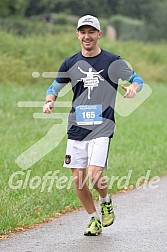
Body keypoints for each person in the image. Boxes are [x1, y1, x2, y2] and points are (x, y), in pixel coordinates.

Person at [43, 15, 144, 236]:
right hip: (76, 128)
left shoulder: (112, 61)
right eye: (83, 32)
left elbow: (138, 79)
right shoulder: (69, 63)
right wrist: (50, 100)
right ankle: (93, 219)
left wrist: (133, 88)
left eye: (91, 32)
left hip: (102, 127)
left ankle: (106, 201)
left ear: (99, 34)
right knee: (78, 180)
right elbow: (54, 87)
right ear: (77, 34)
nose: (87, 36)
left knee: (95, 174)